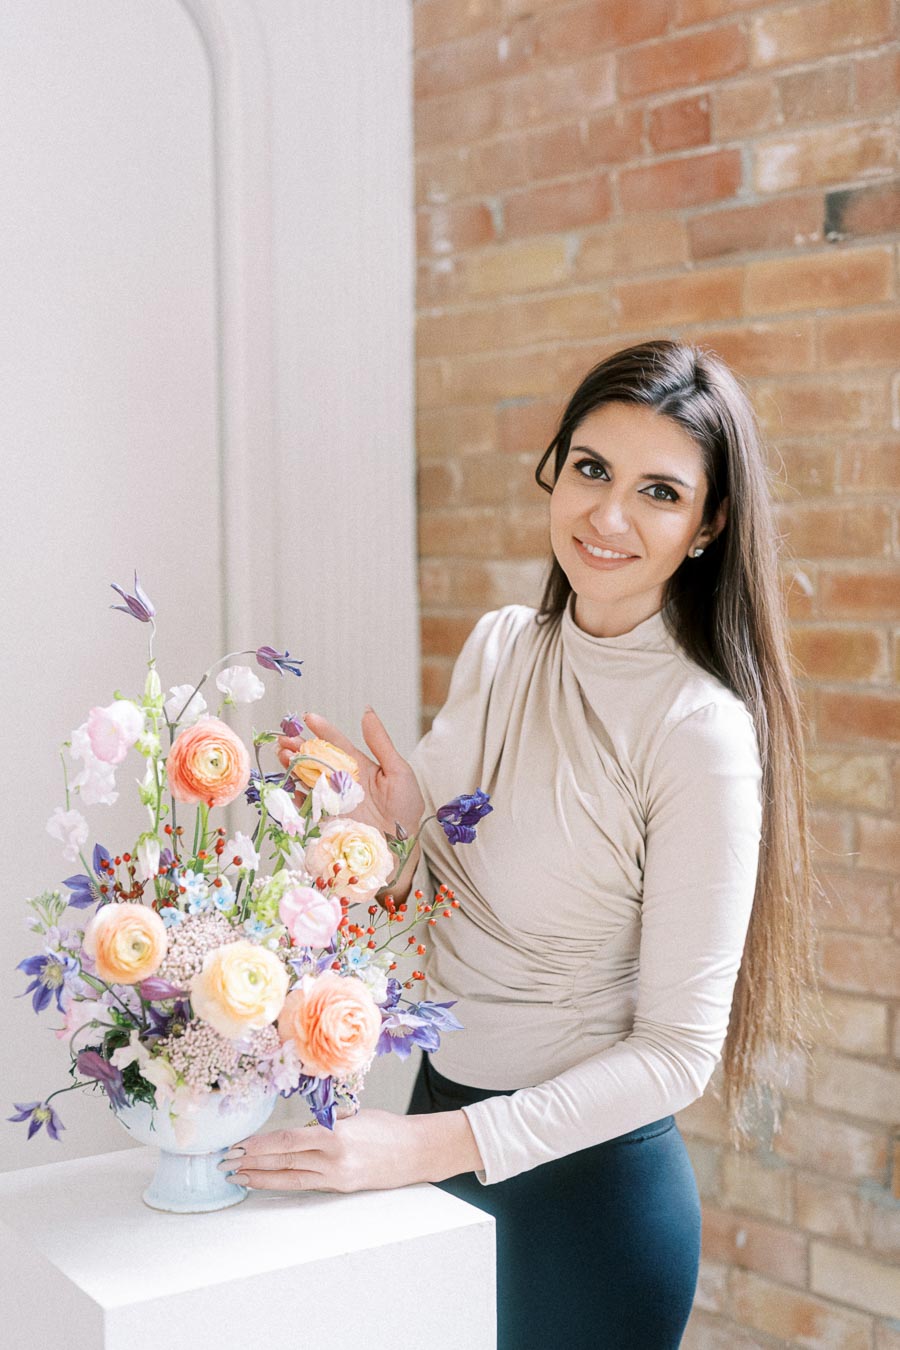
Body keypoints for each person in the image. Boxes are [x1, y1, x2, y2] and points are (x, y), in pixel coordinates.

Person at [228, 340, 818, 1350]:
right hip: (428, 1128)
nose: (607, 516)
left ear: (709, 525)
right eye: (591, 469)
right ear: (557, 467)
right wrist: (390, 830)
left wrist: (427, 1148)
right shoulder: (502, 646)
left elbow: (677, 1056)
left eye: (659, 492)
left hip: (583, 1209)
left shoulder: (698, 732)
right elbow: (445, 897)